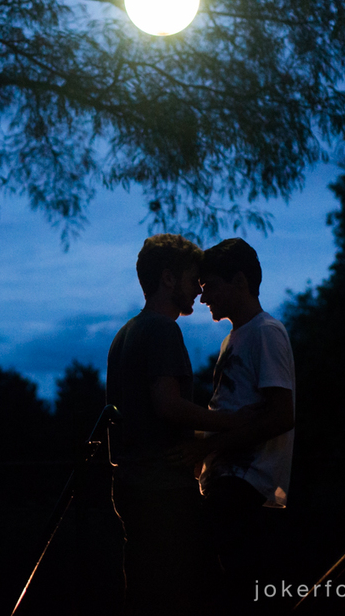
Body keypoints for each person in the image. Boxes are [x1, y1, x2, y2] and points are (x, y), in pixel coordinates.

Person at [106, 234, 252, 615]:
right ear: (169, 279)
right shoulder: (162, 330)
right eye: (191, 281)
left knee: (145, 591)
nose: (197, 293)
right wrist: (230, 421)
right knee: (199, 590)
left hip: (133, 484)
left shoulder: (126, 334)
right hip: (164, 487)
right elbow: (168, 405)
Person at [186, 237, 296, 614]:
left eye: (210, 287)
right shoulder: (235, 338)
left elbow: (283, 414)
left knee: (232, 590)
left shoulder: (266, 331)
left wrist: (211, 446)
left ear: (240, 282)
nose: (203, 299)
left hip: (243, 481)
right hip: (226, 478)